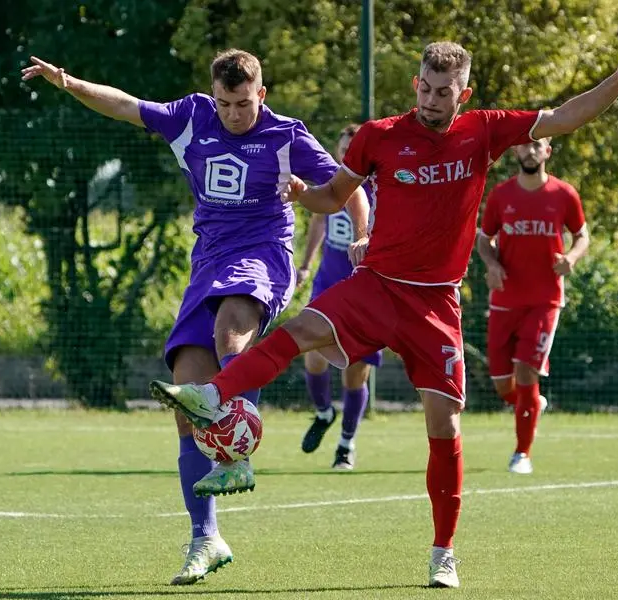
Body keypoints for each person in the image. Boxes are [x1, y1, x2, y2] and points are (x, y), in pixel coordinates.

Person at [149, 41, 618, 588]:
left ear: (463, 94)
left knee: (444, 424)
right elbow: (334, 196)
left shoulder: (484, 129)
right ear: (415, 84)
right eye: (425, 88)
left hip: (435, 303)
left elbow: (565, 116)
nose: (432, 101)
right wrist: (303, 193)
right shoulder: (379, 136)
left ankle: (443, 552)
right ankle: (217, 396)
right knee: (300, 330)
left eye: (444, 93)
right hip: (376, 287)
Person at [21, 49, 368, 586]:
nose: (234, 112)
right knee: (187, 401)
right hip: (207, 262)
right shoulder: (191, 116)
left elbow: (346, 188)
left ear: (262, 94)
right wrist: (68, 82)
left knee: (233, 324)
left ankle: (241, 445)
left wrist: (361, 232)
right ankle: (205, 539)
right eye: (225, 102)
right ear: (213, 95)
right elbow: (125, 105)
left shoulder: (286, 135)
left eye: (244, 102)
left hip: (263, 258)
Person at [477, 138, 589, 475]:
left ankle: (521, 453)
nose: (530, 151)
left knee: (526, 370)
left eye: (536, 145)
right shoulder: (501, 195)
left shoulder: (563, 194)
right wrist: (492, 264)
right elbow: (485, 239)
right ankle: (531, 405)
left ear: (548, 151)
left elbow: (582, 235)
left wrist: (571, 257)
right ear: (515, 151)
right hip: (505, 300)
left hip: (545, 300)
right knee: (502, 383)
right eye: (524, 146)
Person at [297, 123, 382, 470]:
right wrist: (304, 265)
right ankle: (323, 412)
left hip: (366, 290)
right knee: (313, 356)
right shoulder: (331, 184)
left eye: (355, 147)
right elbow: (318, 222)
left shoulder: (380, 187)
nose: (348, 153)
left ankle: (346, 446)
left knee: (354, 372)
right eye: (344, 147)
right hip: (328, 282)